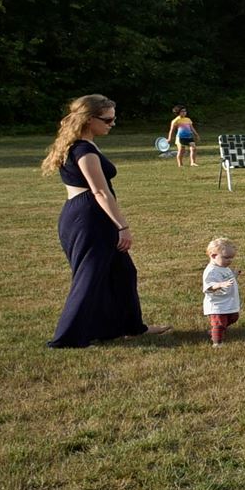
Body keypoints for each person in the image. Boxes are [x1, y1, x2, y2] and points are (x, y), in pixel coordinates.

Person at [43, 95, 159, 347]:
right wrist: (122, 226)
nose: (112, 123)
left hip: (87, 215)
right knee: (90, 275)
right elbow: (100, 192)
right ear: (88, 119)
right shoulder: (83, 150)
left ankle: (131, 327)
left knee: (122, 272)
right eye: (107, 119)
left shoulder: (82, 145)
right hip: (90, 218)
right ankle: (69, 337)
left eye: (113, 118)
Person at [202, 237, 241, 345]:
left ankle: (215, 331)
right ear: (214, 256)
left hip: (228, 302)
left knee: (233, 317)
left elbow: (227, 278)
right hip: (217, 305)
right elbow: (208, 287)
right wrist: (219, 285)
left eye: (231, 258)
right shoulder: (211, 271)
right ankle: (217, 343)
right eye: (226, 258)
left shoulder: (223, 267)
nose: (230, 260)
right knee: (219, 323)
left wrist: (234, 275)